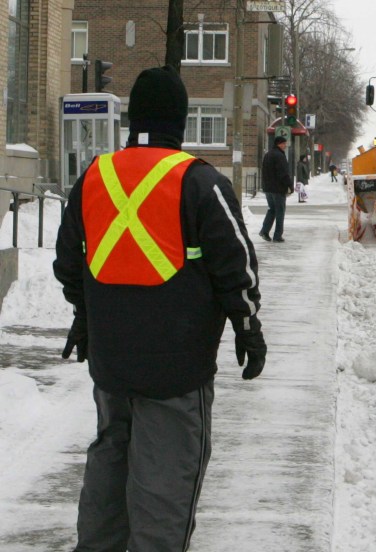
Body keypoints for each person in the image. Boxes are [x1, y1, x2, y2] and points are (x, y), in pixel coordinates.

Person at [53, 65, 267, 552]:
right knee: (166, 482)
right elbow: (237, 266)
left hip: (111, 365)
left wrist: (86, 317)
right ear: (180, 119)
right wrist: (248, 328)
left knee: (110, 459)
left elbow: (69, 264)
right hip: (177, 369)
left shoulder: (95, 178)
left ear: (133, 119)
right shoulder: (198, 181)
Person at [260, 136, 292, 242]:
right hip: (278, 188)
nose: (285, 145)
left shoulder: (268, 154)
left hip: (268, 188)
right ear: (279, 144)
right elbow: (283, 173)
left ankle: (264, 231)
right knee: (280, 211)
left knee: (271, 209)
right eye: (283, 143)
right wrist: (290, 185)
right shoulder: (280, 156)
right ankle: (277, 235)